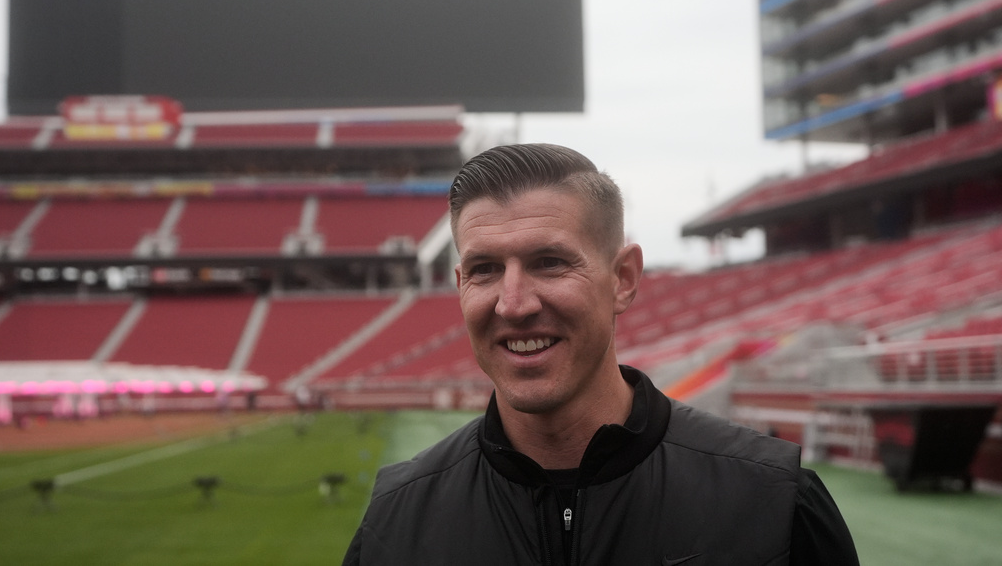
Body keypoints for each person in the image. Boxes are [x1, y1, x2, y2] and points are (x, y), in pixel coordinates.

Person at [343, 143, 859, 565]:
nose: (513, 303)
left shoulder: (772, 502)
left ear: (623, 279)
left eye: (549, 262)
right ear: (460, 286)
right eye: (484, 269)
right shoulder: (394, 524)